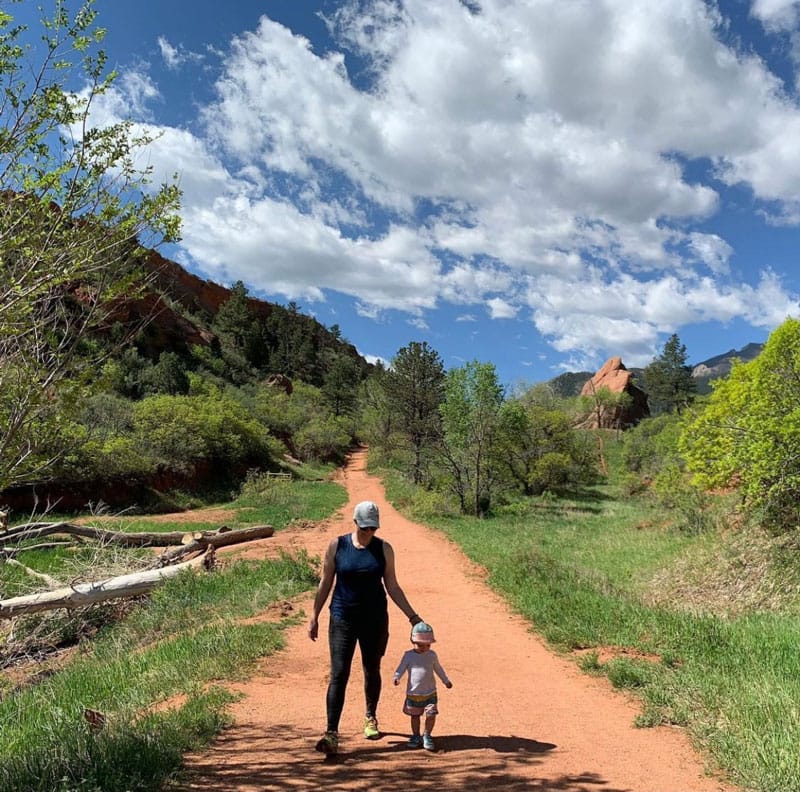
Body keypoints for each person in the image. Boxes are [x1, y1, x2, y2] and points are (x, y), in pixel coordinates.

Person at [308, 499, 423, 756]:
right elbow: (325, 582)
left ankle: (371, 716)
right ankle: (331, 733)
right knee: (339, 673)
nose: (369, 532)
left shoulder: (384, 549)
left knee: (372, 669)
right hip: (342, 618)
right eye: (365, 527)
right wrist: (314, 615)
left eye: (373, 527)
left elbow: (392, 586)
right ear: (356, 522)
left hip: (374, 619)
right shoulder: (337, 546)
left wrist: (413, 617)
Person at [393, 621, 452, 751]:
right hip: (414, 693)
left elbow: (438, 669)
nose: (424, 648)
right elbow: (401, 668)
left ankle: (427, 735)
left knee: (431, 715)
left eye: (428, 645)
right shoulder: (408, 656)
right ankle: (415, 735)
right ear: (413, 641)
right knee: (415, 716)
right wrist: (396, 677)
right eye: (420, 645)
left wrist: (445, 680)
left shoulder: (432, 655)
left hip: (430, 692)